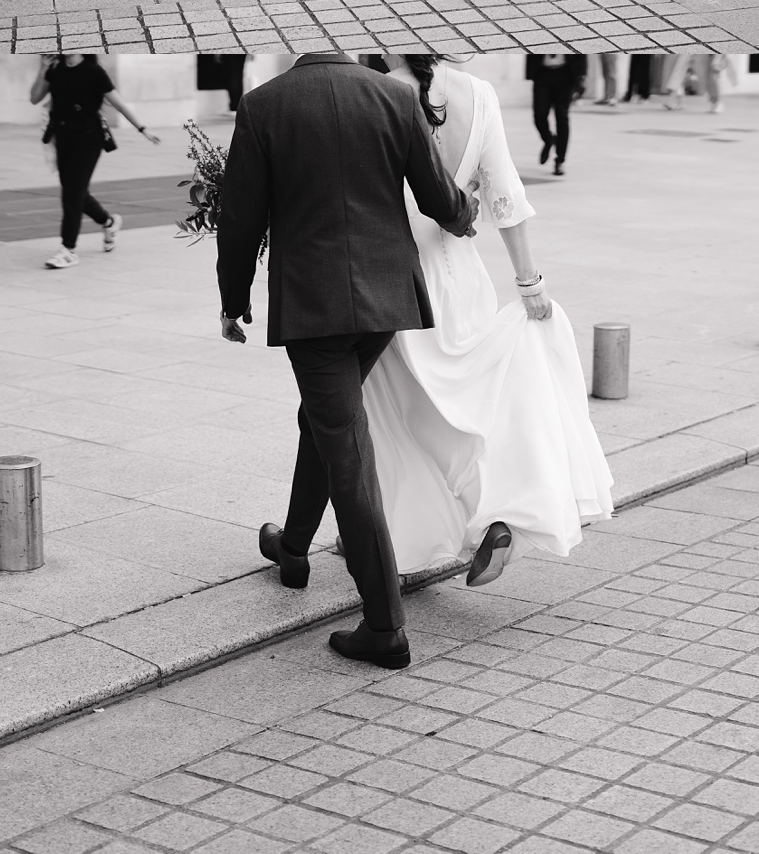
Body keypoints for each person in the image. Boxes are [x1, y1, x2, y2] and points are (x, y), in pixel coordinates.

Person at [217, 53, 477, 671]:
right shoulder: (392, 95)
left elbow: (240, 217)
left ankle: (385, 626)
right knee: (325, 422)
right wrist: (464, 216)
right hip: (387, 300)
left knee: (346, 448)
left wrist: (233, 298)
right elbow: (438, 194)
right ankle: (294, 548)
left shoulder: (263, 104)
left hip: (315, 306)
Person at [362, 55, 613, 588]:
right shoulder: (479, 93)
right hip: (461, 275)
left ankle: (403, 530)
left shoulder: (378, 90)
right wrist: (529, 282)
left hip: (394, 278)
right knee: (469, 406)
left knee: (408, 417)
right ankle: (490, 516)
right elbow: (504, 196)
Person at [30, 53, 160, 269]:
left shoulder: (93, 71)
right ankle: (109, 222)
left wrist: (142, 129)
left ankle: (68, 249)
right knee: (76, 191)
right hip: (62, 135)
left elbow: (118, 103)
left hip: (88, 137)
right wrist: (43, 69)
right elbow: (34, 98)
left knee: (71, 194)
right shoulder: (55, 68)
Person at [525, 54, 586, 175]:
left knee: (562, 116)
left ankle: (560, 161)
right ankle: (549, 139)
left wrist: (582, 75)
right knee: (539, 114)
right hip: (542, 73)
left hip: (565, 73)